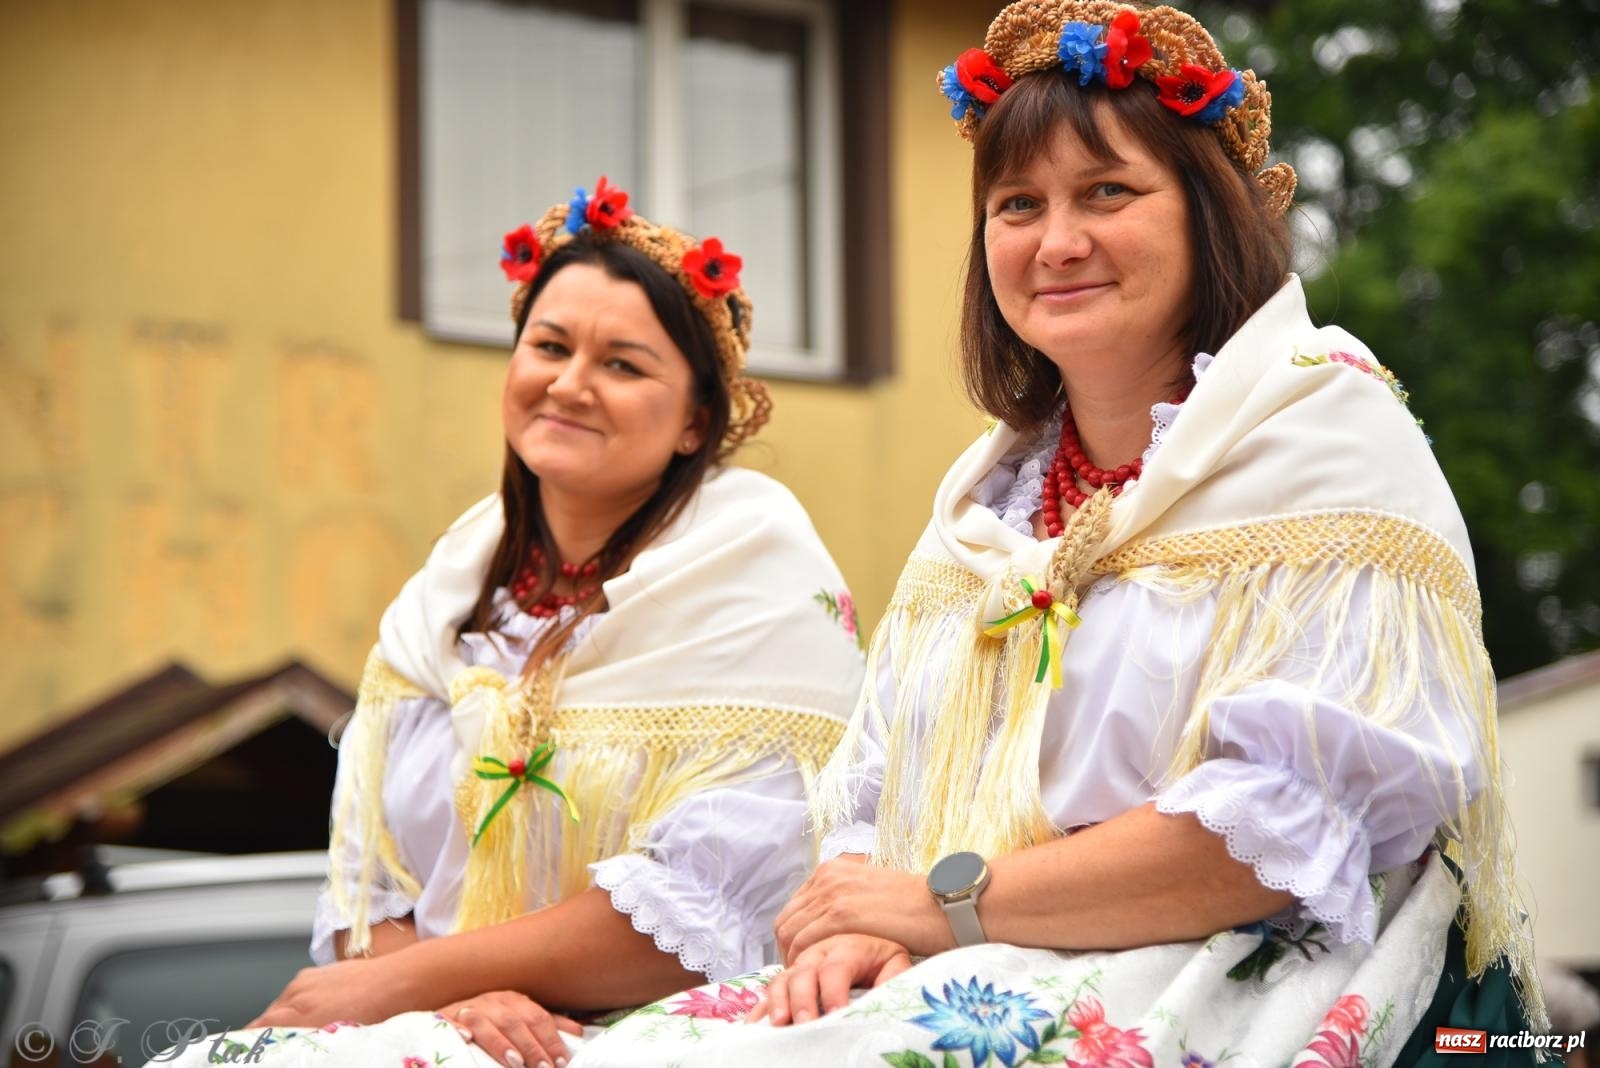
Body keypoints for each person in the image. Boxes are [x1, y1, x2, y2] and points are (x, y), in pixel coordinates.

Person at [572, 3, 1546, 1064]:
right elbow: (873, 807)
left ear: (1207, 215)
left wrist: (940, 908)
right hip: (984, 952)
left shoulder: (1324, 433)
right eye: (1017, 203)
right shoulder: (984, 508)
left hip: (1250, 966)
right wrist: (856, 929)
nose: (1056, 241)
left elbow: (1270, 839)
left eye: (1107, 192)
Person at [142, 177, 865, 1068]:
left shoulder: (755, 578)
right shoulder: (444, 596)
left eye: (624, 364)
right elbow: (365, 892)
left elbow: (703, 904)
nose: (569, 384)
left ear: (696, 423)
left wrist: (413, 984)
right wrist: (457, 993)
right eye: (549, 345)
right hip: (443, 1031)